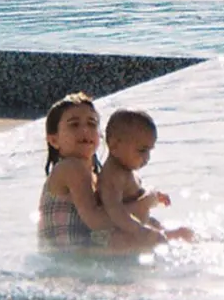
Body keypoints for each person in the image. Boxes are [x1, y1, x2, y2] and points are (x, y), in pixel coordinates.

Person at [37, 92, 167, 254]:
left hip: (79, 252)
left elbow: (114, 214)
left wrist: (151, 222)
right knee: (140, 240)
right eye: (74, 124)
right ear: (54, 140)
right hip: (67, 254)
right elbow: (97, 221)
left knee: (158, 235)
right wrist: (145, 204)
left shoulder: (93, 174)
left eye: (91, 124)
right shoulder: (70, 168)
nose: (84, 130)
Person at [99, 108, 195, 243]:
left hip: (139, 223)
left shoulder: (125, 170)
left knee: (184, 232)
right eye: (142, 150)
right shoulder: (113, 176)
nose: (147, 157)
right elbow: (114, 212)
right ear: (114, 145)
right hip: (125, 234)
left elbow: (135, 195)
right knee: (180, 235)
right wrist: (140, 231)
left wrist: (155, 196)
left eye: (149, 150)